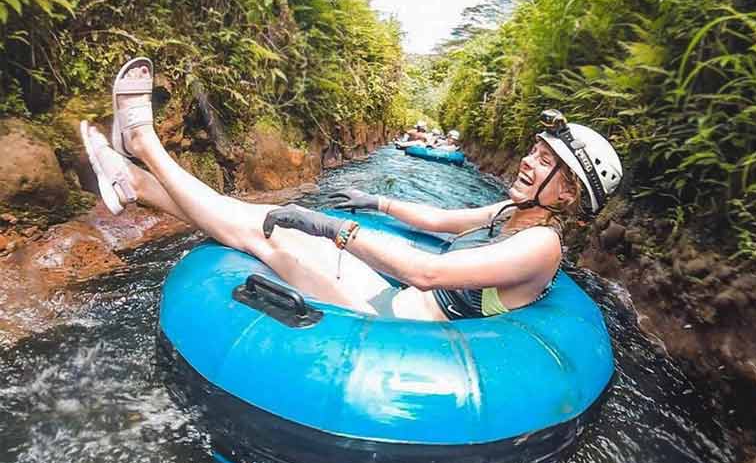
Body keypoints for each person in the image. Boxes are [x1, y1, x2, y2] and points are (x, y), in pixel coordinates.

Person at [82, 58, 622, 321]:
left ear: (569, 194)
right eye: (535, 152)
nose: (529, 161)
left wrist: (337, 226)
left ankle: (143, 144)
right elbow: (437, 225)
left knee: (267, 236)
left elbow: (427, 271)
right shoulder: (511, 211)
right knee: (258, 219)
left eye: (546, 162)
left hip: (399, 328)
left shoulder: (540, 246)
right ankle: (135, 182)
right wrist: (377, 202)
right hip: (395, 301)